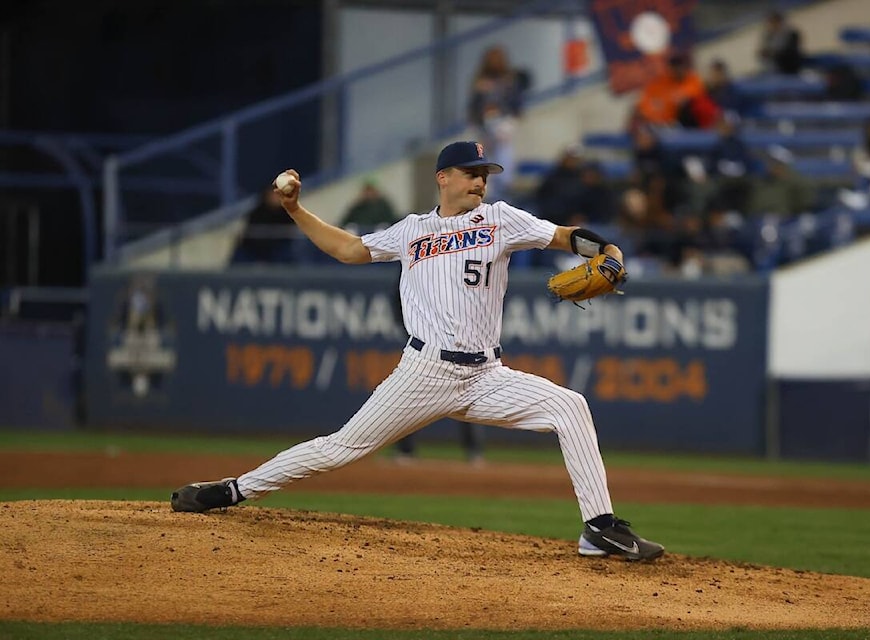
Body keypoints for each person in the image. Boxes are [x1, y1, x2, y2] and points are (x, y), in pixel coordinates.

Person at [170, 140, 665, 563]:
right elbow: (349, 250)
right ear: (442, 178)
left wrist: (608, 252)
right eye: (470, 174)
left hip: (486, 375)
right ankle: (233, 490)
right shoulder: (411, 231)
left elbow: (564, 236)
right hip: (424, 372)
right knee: (339, 449)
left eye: (484, 175)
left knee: (569, 405)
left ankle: (599, 529)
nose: (479, 183)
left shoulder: (501, 219)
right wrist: (297, 210)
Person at [467, 46, 529, 202]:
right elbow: (473, 106)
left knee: (504, 155)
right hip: (483, 125)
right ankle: (488, 192)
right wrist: (476, 123)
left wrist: (511, 120)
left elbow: (517, 104)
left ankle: (504, 188)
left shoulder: (510, 80)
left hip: (503, 122)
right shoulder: (480, 81)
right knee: (483, 159)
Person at [230, 186, 298, 265]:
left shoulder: (288, 214)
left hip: (278, 250)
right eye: (273, 195)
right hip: (254, 250)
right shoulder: (257, 213)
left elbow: (289, 235)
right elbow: (249, 235)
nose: (275, 198)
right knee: (240, 252)